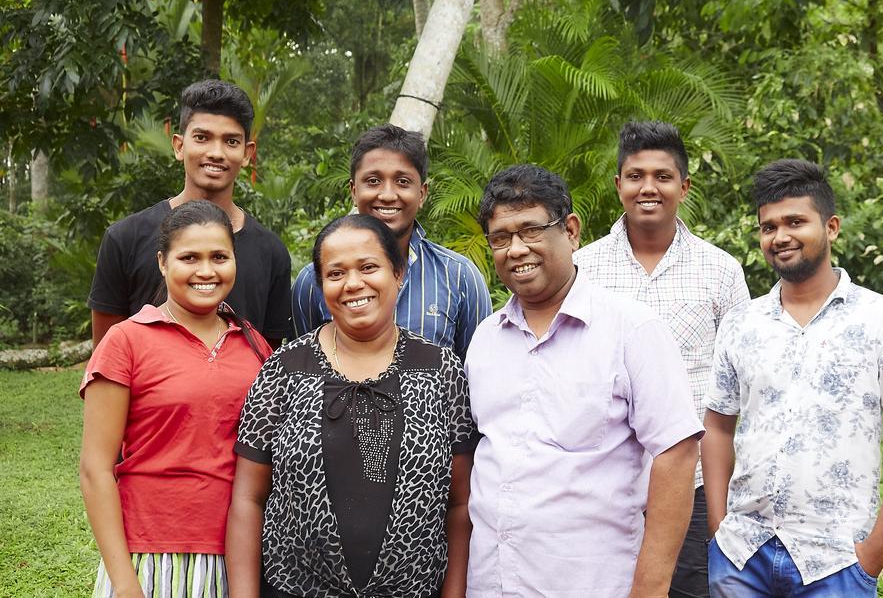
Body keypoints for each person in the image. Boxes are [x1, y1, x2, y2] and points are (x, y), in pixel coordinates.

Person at [465, 164, 705, 597]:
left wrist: (650, 590)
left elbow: (677, 452)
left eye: (531, 230)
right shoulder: (485, 339)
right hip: (493, 584)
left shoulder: (632, 329)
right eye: (500, 238)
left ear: (571, 230)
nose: (516, 249)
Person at [702, 159, 883, 597]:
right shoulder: (741, 323)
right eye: (768, 227)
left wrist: (874, 553)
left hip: (836, 562)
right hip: (740, 555)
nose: (780, 236)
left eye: (795, 221)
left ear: (830, 227)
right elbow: (716, 426)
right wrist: (719, 530)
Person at [227, 214, 477, 598]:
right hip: (295, 589)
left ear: (399, 274)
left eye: (369, 267)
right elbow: (248, 498)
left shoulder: (440, 369)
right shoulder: (285, 369)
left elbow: (459, 504)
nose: (353, 284)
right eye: (336, 273)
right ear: (321, 285)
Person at [574, 121, 749, 598]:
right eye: (635, 175)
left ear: (684, 186)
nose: (648, 187)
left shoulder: (721, 271)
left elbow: (739, 390)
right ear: (618, 185)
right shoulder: (581, 270)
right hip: (601, 484)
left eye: (662, 176)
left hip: (692, 484)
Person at [80, 200, 273, 598]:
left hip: (237, 559)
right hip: (149, 558)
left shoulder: (256, 346)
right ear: (163, 263)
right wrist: (125, 584)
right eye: (189, 257)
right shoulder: (127, 341)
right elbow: (96, 470)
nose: (206, 271)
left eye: (219, 256)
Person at [88, 79, 292, 348]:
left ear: (247, 153)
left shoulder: (271, 252)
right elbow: (106, 360)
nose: (216, 153)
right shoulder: (124, 239)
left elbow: (268, 362)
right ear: (179, 146)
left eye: (231, 141)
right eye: (202, 138)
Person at [291, 124, 491, 359]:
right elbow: (303, 371)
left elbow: (477, 379)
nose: (387, 195)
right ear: (354, 191)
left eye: (403, 182)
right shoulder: (313, 281)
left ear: (422, 193)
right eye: (373, 181)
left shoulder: (460, 278)